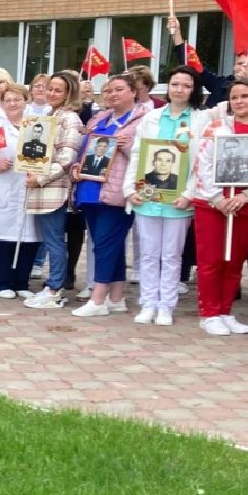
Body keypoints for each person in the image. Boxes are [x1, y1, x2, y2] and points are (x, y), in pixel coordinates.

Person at [184, 76, 248, 335]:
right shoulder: (217, 127)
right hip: (213, 203)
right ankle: (209, 313)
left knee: (234, 260)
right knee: (211, 260)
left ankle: (225, 311)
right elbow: (202, 164)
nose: (239, 101)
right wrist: (218, 199)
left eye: (245, 96)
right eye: (234, 97)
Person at [123, 64, 200, 326]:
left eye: (186, 86)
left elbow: (200, 162)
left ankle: (166, 305)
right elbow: (137, 154)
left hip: (179, 201)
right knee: (148, 253)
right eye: (175, 84)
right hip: (148, 198)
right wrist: (130, 189)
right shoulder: (152, 117)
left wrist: (189, 193)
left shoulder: (199, 120)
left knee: (171, 256)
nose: (180, 90)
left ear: (194, 90)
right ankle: (148, 303)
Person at [70, 74, 148, 319]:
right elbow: (85, 151)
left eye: (119, 89)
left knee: (104, 245)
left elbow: (148, 157)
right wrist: (76, 168)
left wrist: (127, 146)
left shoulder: (144, 120)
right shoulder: (99, 118)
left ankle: (98, 298)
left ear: (133, 91)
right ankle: (116, 297)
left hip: (117, 192)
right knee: (108, 245)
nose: (112, 94)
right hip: (90, 190)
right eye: (108, 90)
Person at [25, 70, 85, 310]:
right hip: (41, 187)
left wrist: (40, 178)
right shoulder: (49, 115)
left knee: (54, 240)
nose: (51, 93)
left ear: (69, 93)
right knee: (50, 239)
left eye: (58, 90)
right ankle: (52, 285)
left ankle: (55, 288)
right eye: (50, 88)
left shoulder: (71, 119)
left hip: (54, 188)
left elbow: (67, 158)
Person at [0, 85, 41, 297]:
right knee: (5, 237)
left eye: (17, 99)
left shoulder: (37, 128)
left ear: (26, 101)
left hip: (29, 187)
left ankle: (22, 283)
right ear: (2, 104)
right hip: (3, 187)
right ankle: (4, 282)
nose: (13, 104)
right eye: (8, 100)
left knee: (29, 236)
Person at [167, 14, 248, 108]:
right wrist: (176, 33)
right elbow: (194, 67)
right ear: (234, 66)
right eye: (239, 64)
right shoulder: (221, 83)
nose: (243, 67)